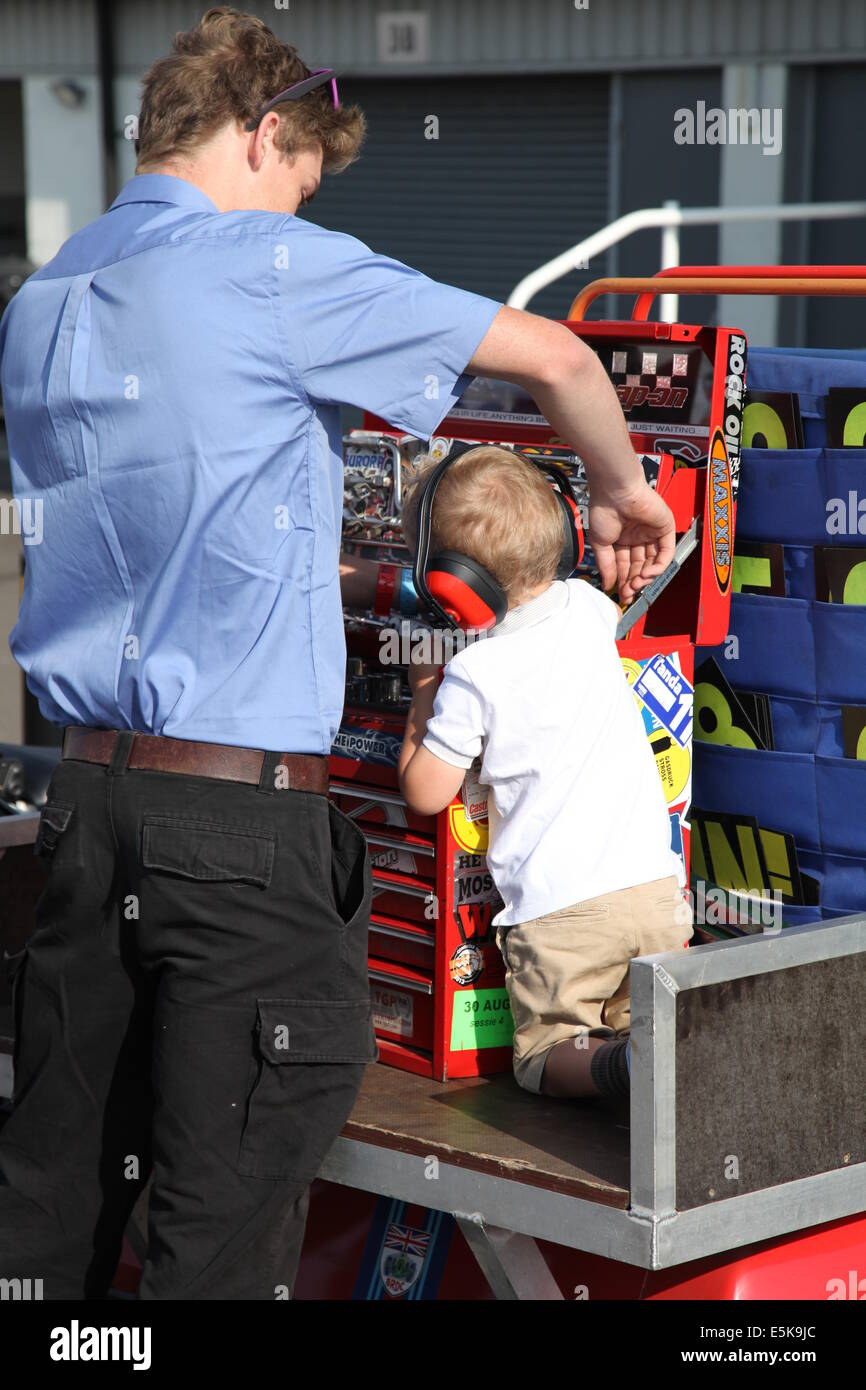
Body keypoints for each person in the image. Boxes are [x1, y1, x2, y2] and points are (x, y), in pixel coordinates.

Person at [0, 6, 675, 1299]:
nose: (300, 217)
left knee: (55, 1197)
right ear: (262, 134)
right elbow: (557, 355)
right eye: (301, 186)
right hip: (236, 830)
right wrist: (623, 492)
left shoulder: (46, 297)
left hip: (87, 801)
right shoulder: (260, 263)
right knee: (226, 1202)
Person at [399, 445, 691, 1102]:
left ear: (453, 583)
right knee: (640, 1019)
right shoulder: (588, 606)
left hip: (562, 914)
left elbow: (425, 792)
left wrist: (424, 686)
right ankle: (649, 1058)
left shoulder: (473, 673)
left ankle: (612, 1068)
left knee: (547, 1049)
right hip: (657, 892)